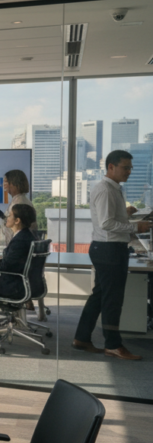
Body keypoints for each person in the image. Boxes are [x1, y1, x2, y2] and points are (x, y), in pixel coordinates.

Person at [74, 150, 151, 361]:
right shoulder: (106, 190)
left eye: (130, 168)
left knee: (100, 296)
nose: (129, 172)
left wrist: (126, 214)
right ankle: (113, 345)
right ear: (111, 167)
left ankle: (81, 338)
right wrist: (135, 227)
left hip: (107, 248)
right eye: (125, 167)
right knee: (112, 300)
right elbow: (106, 224)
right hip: (109, 249)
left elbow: (108, 217)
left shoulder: (113, 189)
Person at [0, 169, 45, 320]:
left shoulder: (19, 202)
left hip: (16, 276)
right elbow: (7, 219)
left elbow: (8, 224)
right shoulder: (19, 200)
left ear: (15, 183)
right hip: (23, 268)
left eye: (6, 182)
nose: (3, 185)